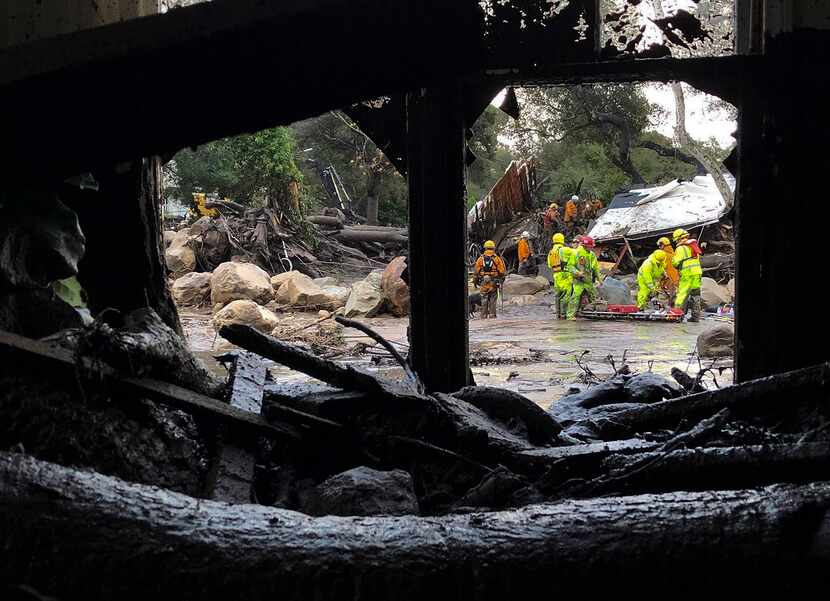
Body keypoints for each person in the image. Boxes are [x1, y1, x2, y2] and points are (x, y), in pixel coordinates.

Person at [671, 228, 704, 322]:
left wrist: (675, 262)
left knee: (682, 294)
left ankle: (678, 316)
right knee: (696, 295)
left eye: (676, 239)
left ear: (678, 238)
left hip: (687, 274)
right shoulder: (694, 246)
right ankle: (695, 317)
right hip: (697, 273)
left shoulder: (680, 248)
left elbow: (675, 263)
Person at [566, 235, 601, 319]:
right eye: (590, 247)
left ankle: (596, 313)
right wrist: (577, 272)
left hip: (588, 280)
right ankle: (570, 315)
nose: (591, 248)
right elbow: (570, 266)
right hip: (579, 280)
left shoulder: (591, 254)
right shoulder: (576, 253)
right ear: (585, 246)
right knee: (575, 297)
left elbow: (595, 267)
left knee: (593, 296)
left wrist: (599, 279)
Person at [474, 240, 506, 319]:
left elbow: (476, 272)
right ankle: (492, 316)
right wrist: (501, 280)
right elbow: (502, 271)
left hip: (483, 282)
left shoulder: (480, 259)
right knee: (493, 299)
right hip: (493, 283)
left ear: (485, 248)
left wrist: (475, 282)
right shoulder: (497, 259)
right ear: (493, 248)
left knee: (484, 298)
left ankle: (484, 316)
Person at [547, 232, 573, 319]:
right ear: (562, 240)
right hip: (564, 274)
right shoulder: (564, 249)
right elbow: (576, 252)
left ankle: (558, 314)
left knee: (557, 295)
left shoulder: (551, 252)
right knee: (566, 294)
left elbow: (549, 265)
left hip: (556, 275)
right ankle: (563, 315)